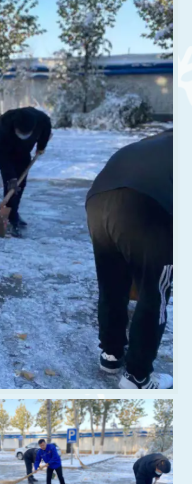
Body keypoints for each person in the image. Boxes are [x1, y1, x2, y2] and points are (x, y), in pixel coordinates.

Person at [85, 129, 173, 390]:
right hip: (146, 205)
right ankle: (137, 376)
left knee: (112, 284)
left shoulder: (155, 143)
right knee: (154, 293)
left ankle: (111, 355)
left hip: (98, 201)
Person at [0, 106, 52, 237]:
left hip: (24, 152)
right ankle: (11, 219)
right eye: (20, 132)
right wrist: (10, 177)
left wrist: (41, 146)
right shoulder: (4, 125)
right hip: (5, 153)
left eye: (27, 133)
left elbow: (46, 131)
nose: (23, 135)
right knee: (11, 185)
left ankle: (13, 213)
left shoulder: (41, 120)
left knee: (21, 185)